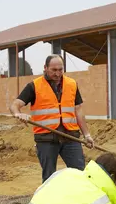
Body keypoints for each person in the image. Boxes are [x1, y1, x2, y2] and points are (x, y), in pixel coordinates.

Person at [10, 54, 96, 182]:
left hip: (70, 137)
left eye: (60, 70)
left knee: (79, 173)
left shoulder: (72, 84)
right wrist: (18, 114)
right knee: (49, 178)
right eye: (54, 70)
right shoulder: (34, 86)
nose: (57, 73)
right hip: (46, 139)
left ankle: (79, 200)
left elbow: (78, 110)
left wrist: (87, 135)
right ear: (45, 68)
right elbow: (15, 105)